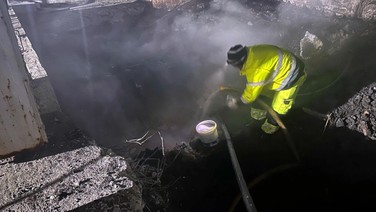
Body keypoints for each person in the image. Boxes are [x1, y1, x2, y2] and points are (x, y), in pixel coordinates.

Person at [226, 44, 307, 134]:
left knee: (279, 107)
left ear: (240, 62)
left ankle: (269, 130)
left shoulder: (256, 70)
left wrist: (238, 102)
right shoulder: (251, 52)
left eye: (235, 65)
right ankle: (257, 118)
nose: (236, 68)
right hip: (278, 70)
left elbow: (251, 94)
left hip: (292, 74)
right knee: (261, 94)